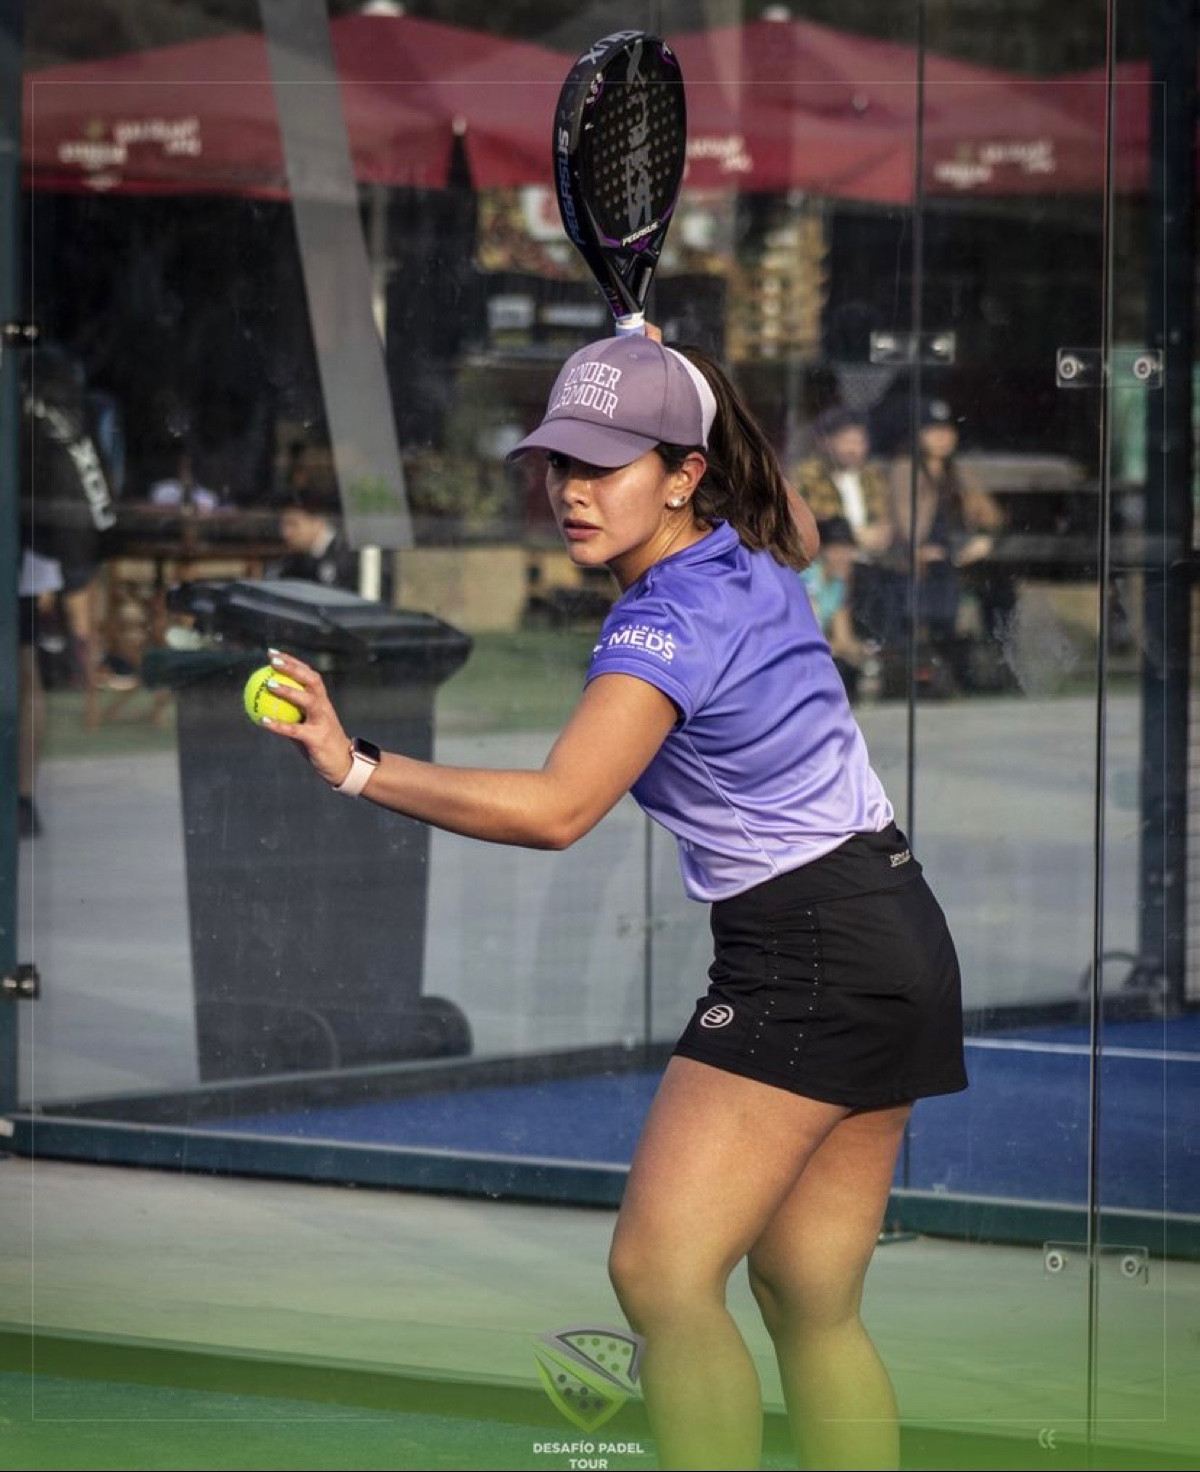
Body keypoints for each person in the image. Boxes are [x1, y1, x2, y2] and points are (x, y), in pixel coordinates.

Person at [257, 331, 967, 1471]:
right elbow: (794, 510)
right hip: (899, 932)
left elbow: (557, 808)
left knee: (660, 1276)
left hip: (811, 950)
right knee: (808, 1297)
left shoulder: (663, 620)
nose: (571, 491)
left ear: (685, 474)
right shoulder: (756, 542)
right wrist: (679, 373)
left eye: (605, 463)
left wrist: (355, 765)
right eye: (559, 461)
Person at [887, 398, 1006, 687]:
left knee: (999, 587)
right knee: (936, 580)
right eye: (933, 430)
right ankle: (942, 671)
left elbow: (991, 516)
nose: (942, 437)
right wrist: (918, 549)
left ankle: (984, 668)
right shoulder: (906, 469)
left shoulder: (957, 472)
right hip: (916, 556)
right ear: (919, 434)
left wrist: (984, 540)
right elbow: (904, 521)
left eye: (947, 430)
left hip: (954, 554)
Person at [793, 405, 897, 651]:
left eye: (859, 441)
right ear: (826, 443)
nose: (853, 449)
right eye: (846, 441)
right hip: (828, 558)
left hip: (871, 557)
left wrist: (882, 533)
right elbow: (813, 520)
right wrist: (855, 536)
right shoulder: (807, 476)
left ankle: (880, 652)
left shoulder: (873, 476)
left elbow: (884, 519)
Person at [802, 516, 867, 703]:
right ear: (822, 551)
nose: (843, 557)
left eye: (847, 549)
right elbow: (810, 639)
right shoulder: (807, 580)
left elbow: (843, 638)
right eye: (836, 550)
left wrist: (865, 652)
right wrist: (844, 649)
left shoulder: (838, 585)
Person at [267, 484, 359, 592]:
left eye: (293, 524)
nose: (285, 533)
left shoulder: (347, 558)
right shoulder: (291, 562)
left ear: (318, 521)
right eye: (283, 525)